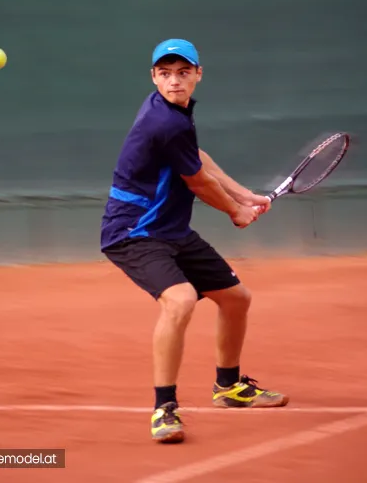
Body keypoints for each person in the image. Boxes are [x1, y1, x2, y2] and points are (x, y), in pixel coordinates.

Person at [100, 38, 290, 444]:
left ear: (198, 75)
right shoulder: (163, 120)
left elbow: (197, 157)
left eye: (183, 73)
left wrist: (244, 194)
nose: (174, 81)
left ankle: (229, 387)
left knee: (236, 298)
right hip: (134, 232)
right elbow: (197, 181)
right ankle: (163, 408)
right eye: (165, 74)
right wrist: (236, 212)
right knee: (180, 299)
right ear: (153, 77)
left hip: (171, 230)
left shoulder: (175, 114)